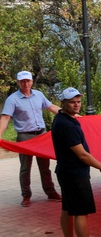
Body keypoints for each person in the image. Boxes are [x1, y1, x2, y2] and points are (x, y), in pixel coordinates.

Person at [50, 87, 101, 237]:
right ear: (63, 103)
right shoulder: (66, 125)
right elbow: (82, 154)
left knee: (68, 208)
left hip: (66, 171)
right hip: (75, 174)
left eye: (78, 101)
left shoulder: (62, 119)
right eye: (72, 102)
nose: (76, 105)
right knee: (80, 212)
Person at [1, 70, 62, 206]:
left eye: (28, 81)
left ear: (32, 82)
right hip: (24, 137)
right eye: (22, 81)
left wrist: (70, 115)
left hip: (41, 135)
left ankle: (50, 192)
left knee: (45, 167)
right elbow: (5, 118)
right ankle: (26, 195)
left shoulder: (39, 95)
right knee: (25, 168)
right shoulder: (12, 99)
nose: (25, 84)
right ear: (18, 82)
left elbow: (51, 107)